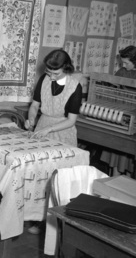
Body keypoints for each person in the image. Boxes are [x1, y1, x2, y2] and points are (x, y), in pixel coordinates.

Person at [25, 49, 83, 234]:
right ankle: (39, 220)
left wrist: (48, 129)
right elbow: (35, 105)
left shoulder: (75, 86)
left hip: (63, 132)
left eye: (55, 73)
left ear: (66, 69)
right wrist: (32, 119)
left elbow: (71, 120)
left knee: (59, 181)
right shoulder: (44, 79)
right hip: (43, 127)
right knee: (41, 176)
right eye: (48, 72)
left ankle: (58, 223)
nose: (50, 76)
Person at [100, 45, 136, 175]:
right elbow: (113, 92)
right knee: (117, 154)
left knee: (132, 157)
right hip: (122, 116)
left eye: (126, 63)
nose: (124, 65)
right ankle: (114, 181)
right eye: (123, 62)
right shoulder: (122, 72)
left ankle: (128, 183)